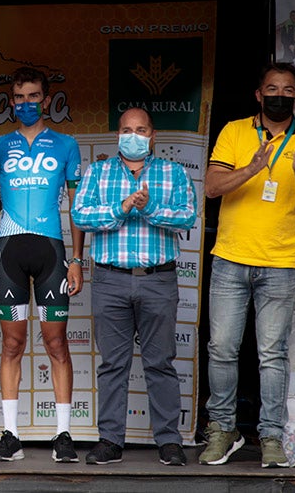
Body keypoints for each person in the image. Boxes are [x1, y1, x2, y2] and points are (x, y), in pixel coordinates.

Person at [201, 62, 295, 468]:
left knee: (272, 354)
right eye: (272, 88)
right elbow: (212, 187)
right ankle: (223, 428)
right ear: (258, 94)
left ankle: (270, 437)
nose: (279, 95)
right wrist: (251, 167)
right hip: (232, 257)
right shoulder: (234, 132)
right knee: (222, 350)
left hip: (281, 262)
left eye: (287, 89)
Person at [72, 107, 197, 466]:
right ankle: (110, 440)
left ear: (152, 136)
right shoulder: (97, 172)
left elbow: (187, 216)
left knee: (160, 362)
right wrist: (124, 205)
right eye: (127, 129)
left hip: (158, 278)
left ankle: (169, 441)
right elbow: (81, 216)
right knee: (112, 364)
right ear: (117, 135)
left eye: (141, 129)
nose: (133, 135)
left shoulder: (173, 173)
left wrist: (148, 206)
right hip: (110, 279)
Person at [0, 66, 85, 463]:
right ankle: (11, 435)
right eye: (19, 98)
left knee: (56, 343)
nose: (26, 103)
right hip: (10, 252)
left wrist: (76, 259)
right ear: (11, 102)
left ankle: (63, 434)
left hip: (52, 252)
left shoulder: (66, 145)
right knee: (11, 344)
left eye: (33, 96)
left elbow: (76, 207)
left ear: (47, 100)